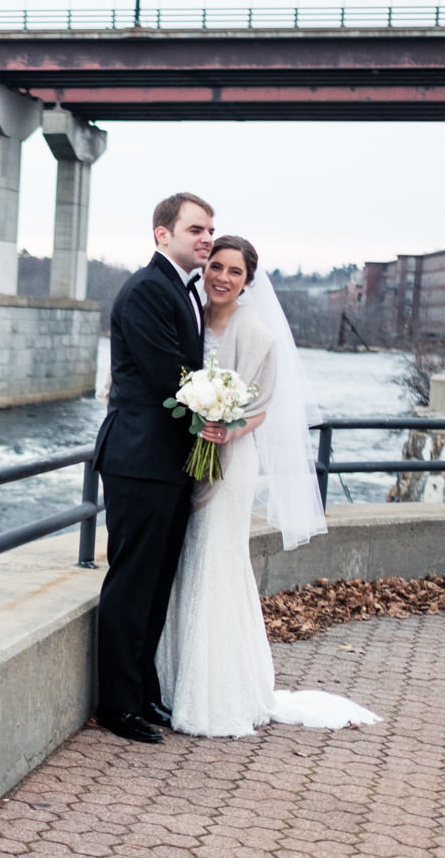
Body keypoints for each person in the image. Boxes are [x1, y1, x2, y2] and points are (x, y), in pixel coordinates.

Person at [155, 235, 380, 736]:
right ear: (204, 268)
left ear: (248, 281)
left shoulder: (257, 334)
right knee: (187, 564)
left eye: (235, 272)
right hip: (190, 460)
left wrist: (225, 426)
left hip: (230, 462)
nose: (222, 278)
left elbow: (263, 407)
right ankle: (172, 683)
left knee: (216, 562)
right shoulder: (189, 316)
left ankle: (216, 695)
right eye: (216, 266)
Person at [91, 192, 214, 744]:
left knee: (157, 582)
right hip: (139, 460)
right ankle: (116, 706)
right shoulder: (145, 290)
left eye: (210, 229)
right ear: (162, 234)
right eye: (195, 229)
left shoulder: (182, 291)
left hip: (168, 462)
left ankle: (142, 691)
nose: (206, 238)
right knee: (132, 581)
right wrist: (216, 406)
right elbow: (171, 375)